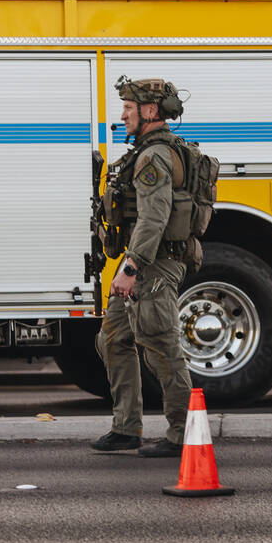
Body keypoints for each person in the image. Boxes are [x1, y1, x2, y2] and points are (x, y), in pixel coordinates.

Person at [91, 77, 196, 458]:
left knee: (161, 344)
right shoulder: (147, 151)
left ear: (150, 111)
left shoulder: (153, 157)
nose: (122, 116)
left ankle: (184, 433)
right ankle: (126, 427)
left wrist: (131, 267)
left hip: (152, 265)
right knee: (113, 338)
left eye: (128, 109)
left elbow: (154, 217)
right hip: (141, 260)